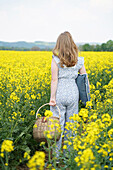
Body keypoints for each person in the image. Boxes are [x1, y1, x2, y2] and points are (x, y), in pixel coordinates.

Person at [49, 31, 90, 159]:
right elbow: (84, 78)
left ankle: (55, 156)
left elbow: (54, 80)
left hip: (60, 93)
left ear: (59, 45)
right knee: (71, 124)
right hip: (73, 93)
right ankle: (69, 154)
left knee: (57, 125)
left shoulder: (55, 60)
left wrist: (52, 98)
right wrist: (87, 96)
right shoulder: (78, 60)